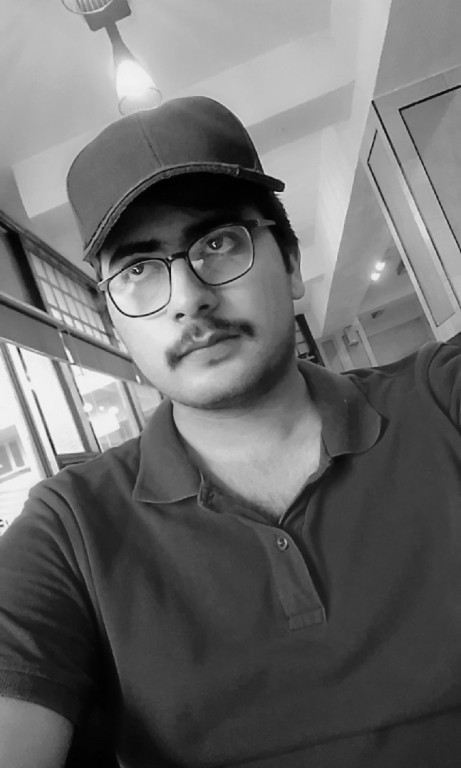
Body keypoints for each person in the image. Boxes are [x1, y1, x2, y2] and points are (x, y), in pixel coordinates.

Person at [1, 96, 461, 768]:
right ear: (113, 320)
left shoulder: (440, 399)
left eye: (217, 243)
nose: (189, 297)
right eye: (138, 269)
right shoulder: (68, 530)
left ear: (291, 264)